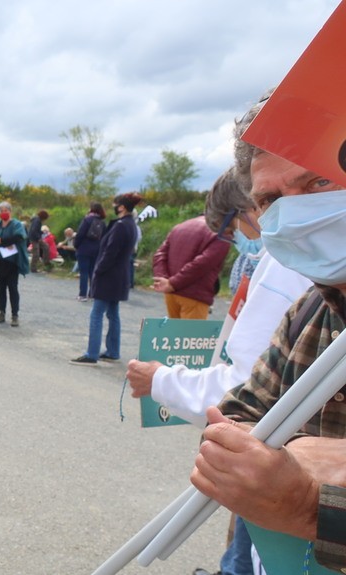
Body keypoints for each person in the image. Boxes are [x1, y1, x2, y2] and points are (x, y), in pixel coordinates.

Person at [188, 91, 346, 573]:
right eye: (271, 200)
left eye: (319, 181)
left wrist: (308, 503)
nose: (295, 215)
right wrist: (258, 462)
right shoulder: (312, 311)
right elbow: (235, 416)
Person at [126, 169, 311, 575]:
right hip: (284, 446)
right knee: (244, 534)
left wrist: (159, 380)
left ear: (250, 210)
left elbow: (246, 386)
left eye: (231, 231)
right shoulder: (283, 256)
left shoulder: (283, 260)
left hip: (288, 452)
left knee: (257, 534)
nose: (234, 242)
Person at [70, 192, 143, 366]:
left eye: (115, 203)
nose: (113, 206)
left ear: (122, 207)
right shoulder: (131, 224)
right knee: (113, 314)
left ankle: (92, 353)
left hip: (109, 275)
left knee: (96, 314)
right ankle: (112, 350)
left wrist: (98, 270)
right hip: (120, 276)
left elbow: (110, 252)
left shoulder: (120, 226)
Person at [151, 208, 231, 320]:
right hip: (195, 294)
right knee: (191, 336)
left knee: (173, 335)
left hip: (171, 293)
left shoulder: (180, 226)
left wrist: (163, 280)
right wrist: (173, 283)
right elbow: (203, 263)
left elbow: (160, 254)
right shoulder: (221, 233)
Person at [0, 201, 29, 326]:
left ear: (10, 211)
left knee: (13, 288)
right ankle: (1, 312)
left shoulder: (16, 225)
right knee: (1, 288)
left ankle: (15, 315)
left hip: (12, 262)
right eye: (2, 210)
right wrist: (3, 242)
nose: (4, 213)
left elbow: (19, 237)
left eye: (6, 210)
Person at [73, 202, 106, 301]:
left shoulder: (87, 220)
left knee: (84, 272)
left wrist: (76, 245)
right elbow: (104, 238)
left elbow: (80, 234)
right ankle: (92, 293)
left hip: (84, 249)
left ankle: (82, 295)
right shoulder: (103, 223)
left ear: (91, 209)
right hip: (96, 250)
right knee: (93, 272)